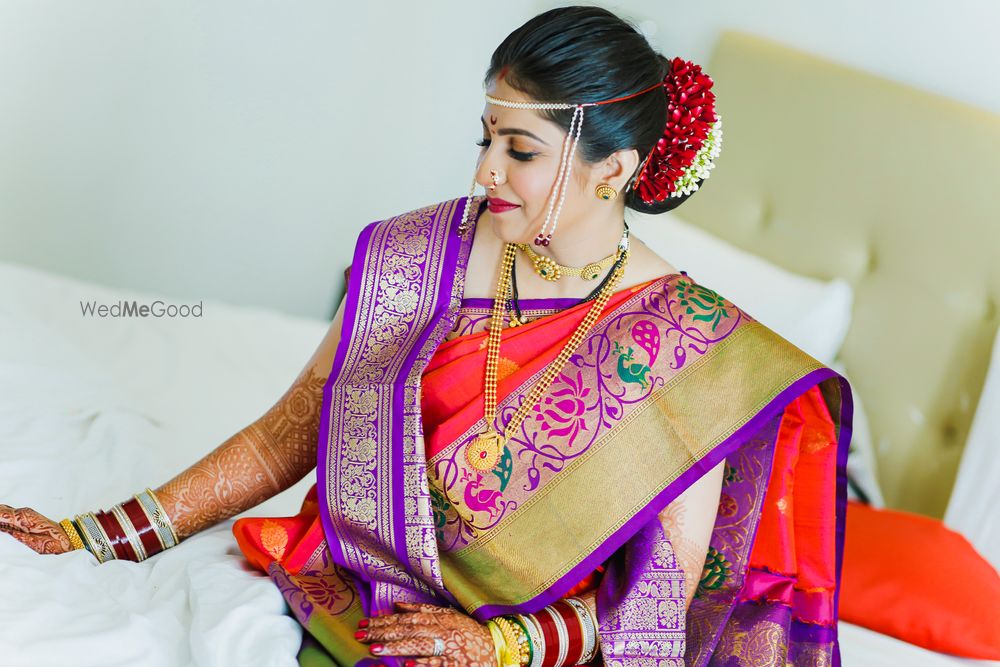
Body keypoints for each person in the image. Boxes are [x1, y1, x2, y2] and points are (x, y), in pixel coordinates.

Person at [0, 6, 852, 666]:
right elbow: (286, 433)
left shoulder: (687, 340)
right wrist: (104, 533)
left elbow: (659, 597)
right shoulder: (425, 253)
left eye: (520, 150)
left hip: (538, 639)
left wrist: (499, 645)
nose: (485, 171)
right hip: (361, 590)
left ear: (614, 171)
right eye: (485, 139)